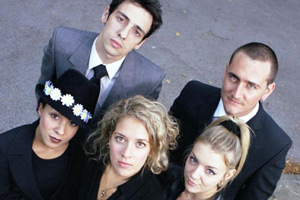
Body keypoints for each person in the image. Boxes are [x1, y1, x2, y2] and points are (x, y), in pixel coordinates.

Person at [169, 42, 292, 200]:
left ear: (267, 90)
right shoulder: (192, 94)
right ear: (225, 70)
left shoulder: (274, 145)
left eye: (251, 86)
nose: (237, 93)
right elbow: (163, 151)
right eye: (234, 78)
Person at [38, 0, 165, 120]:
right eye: (121, 19)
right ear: (106, 15)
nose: (123, 34)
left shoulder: (149, 80)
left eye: (136, 32)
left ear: (141, 42)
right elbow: (43, 88)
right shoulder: (62, 42)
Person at [0, 69, 99, 199]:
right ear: (41, 108)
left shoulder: (85, 155)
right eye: (54, 116)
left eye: (72, 123)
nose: (60, 131)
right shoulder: (5, 146)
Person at [78, 95, 179, 200]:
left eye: (140, 144)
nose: (126, 153)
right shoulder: (88, 157)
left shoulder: (151, 196)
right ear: (109, 137)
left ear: (152, 150)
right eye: (120, 139)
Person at [164, 116, 251, 200]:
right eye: (193, 160)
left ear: (227, 175)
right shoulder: (164, 176)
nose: (194, 174)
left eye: (210, 171)